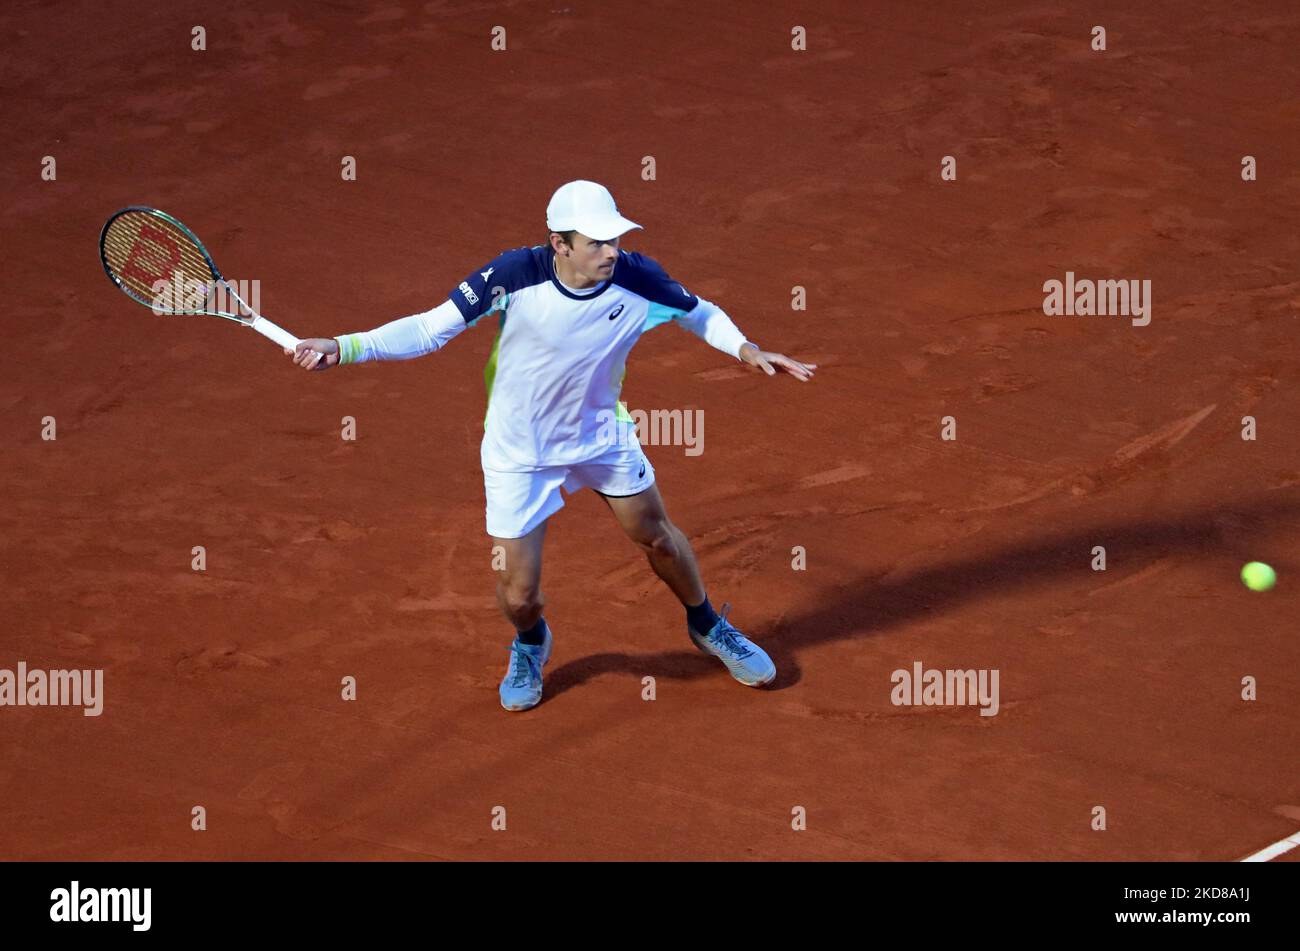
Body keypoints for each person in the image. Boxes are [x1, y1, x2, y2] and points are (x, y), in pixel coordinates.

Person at [287, 180, 817, 711]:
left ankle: (706, 624)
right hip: (519, 453)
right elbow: (430, 330)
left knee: (656, 536)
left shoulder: (636, 277)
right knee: (519, 594)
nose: (612, 251)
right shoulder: (514, 274)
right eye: (596, 243)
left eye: (615, 239)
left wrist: (744, 347)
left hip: (600, 438)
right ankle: (530, 641)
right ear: (559, 245)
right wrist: (345, 346)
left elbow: (699, 311)